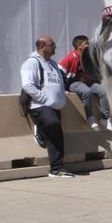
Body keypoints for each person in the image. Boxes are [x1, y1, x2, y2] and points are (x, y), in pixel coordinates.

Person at [22, 35, 74, 177]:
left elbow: (59, 82)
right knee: (52, 123)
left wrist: (61, 97)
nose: (55, 47)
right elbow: (27, 85)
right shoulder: (32, 62)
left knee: (57, 137)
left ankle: (56, 169)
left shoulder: (53, 63)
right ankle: (40, 132)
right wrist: (43, 98)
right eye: (52, 45)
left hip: (55, 106)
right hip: (39, 105)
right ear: (42, 47)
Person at [60, 35, 109, 130]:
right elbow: (59, 71)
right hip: (73, 83)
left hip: (87, 81)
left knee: (103, 91)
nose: (89, 45)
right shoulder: (70, 57)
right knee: (87, 92)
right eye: (86, 43)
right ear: (79, 46)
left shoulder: (89, 56)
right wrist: (61, 88)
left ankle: (105, 118)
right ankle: (90, 117)